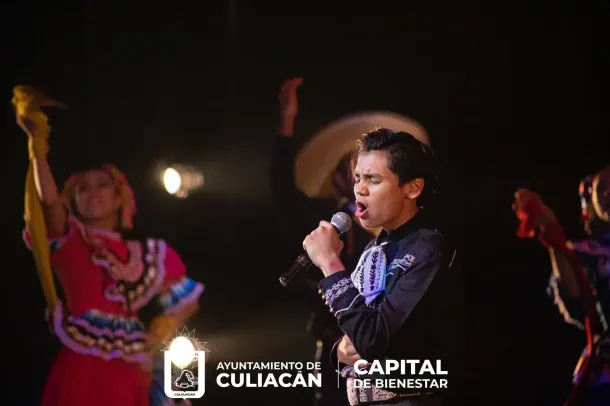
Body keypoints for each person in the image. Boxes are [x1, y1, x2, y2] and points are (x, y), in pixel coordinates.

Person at [17, 114, 204, 406]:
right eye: (82, 188)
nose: (92, 193)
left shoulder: (148, 254)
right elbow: (48, 201)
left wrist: (165, 324)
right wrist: (36, 147)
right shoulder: (71, 242)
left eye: (102, 185)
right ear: (73, 200)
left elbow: (188, 302)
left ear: (119, 198)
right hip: (84, 362)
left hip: (132, 366)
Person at [302, 128, 460, 406]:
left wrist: (329, 262)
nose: (359, 189)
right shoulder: (375, 249)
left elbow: (372, 338)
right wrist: (339, 352)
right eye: (357, 178)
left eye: (373, 179)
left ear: (413, 188)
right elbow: (358, 330)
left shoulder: (427, 249)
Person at [270, 78, 383, 406]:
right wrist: (286, 123)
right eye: (353, 166)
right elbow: (283, 194)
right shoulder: (329, 221)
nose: (362, 174)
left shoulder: (399, 227)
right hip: (339, 351)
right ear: (337, 178)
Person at [513, 166, 610, 406]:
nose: (608, 194)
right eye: (601, 190)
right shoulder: (591, 253)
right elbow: (574, 297)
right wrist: (550, 229)